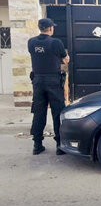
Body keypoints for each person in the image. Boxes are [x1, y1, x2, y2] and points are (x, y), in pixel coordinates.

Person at [28, 18, 70, 155]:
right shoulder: (56, 42)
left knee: (39, 112)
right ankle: (59, 145)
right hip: (53, 81)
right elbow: (65, 59)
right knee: (57, 112)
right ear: (51, 28)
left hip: (38, 81)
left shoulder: (31, 42)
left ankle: (37, 144)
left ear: (40, 28)